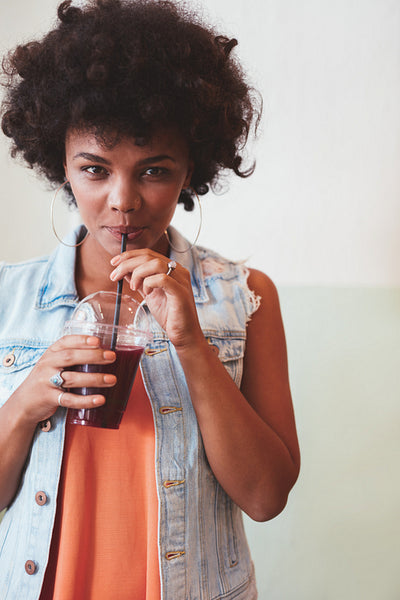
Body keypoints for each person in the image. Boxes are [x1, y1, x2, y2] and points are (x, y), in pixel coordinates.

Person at [0, 0, 300, 598]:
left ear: (192, 168)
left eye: (154, 171)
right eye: (94, 169)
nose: (123, 199)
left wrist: (190, 343)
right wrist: (27, 401)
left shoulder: (246, 299)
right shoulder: (8, 299)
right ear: (59, 162)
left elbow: (266, 498)